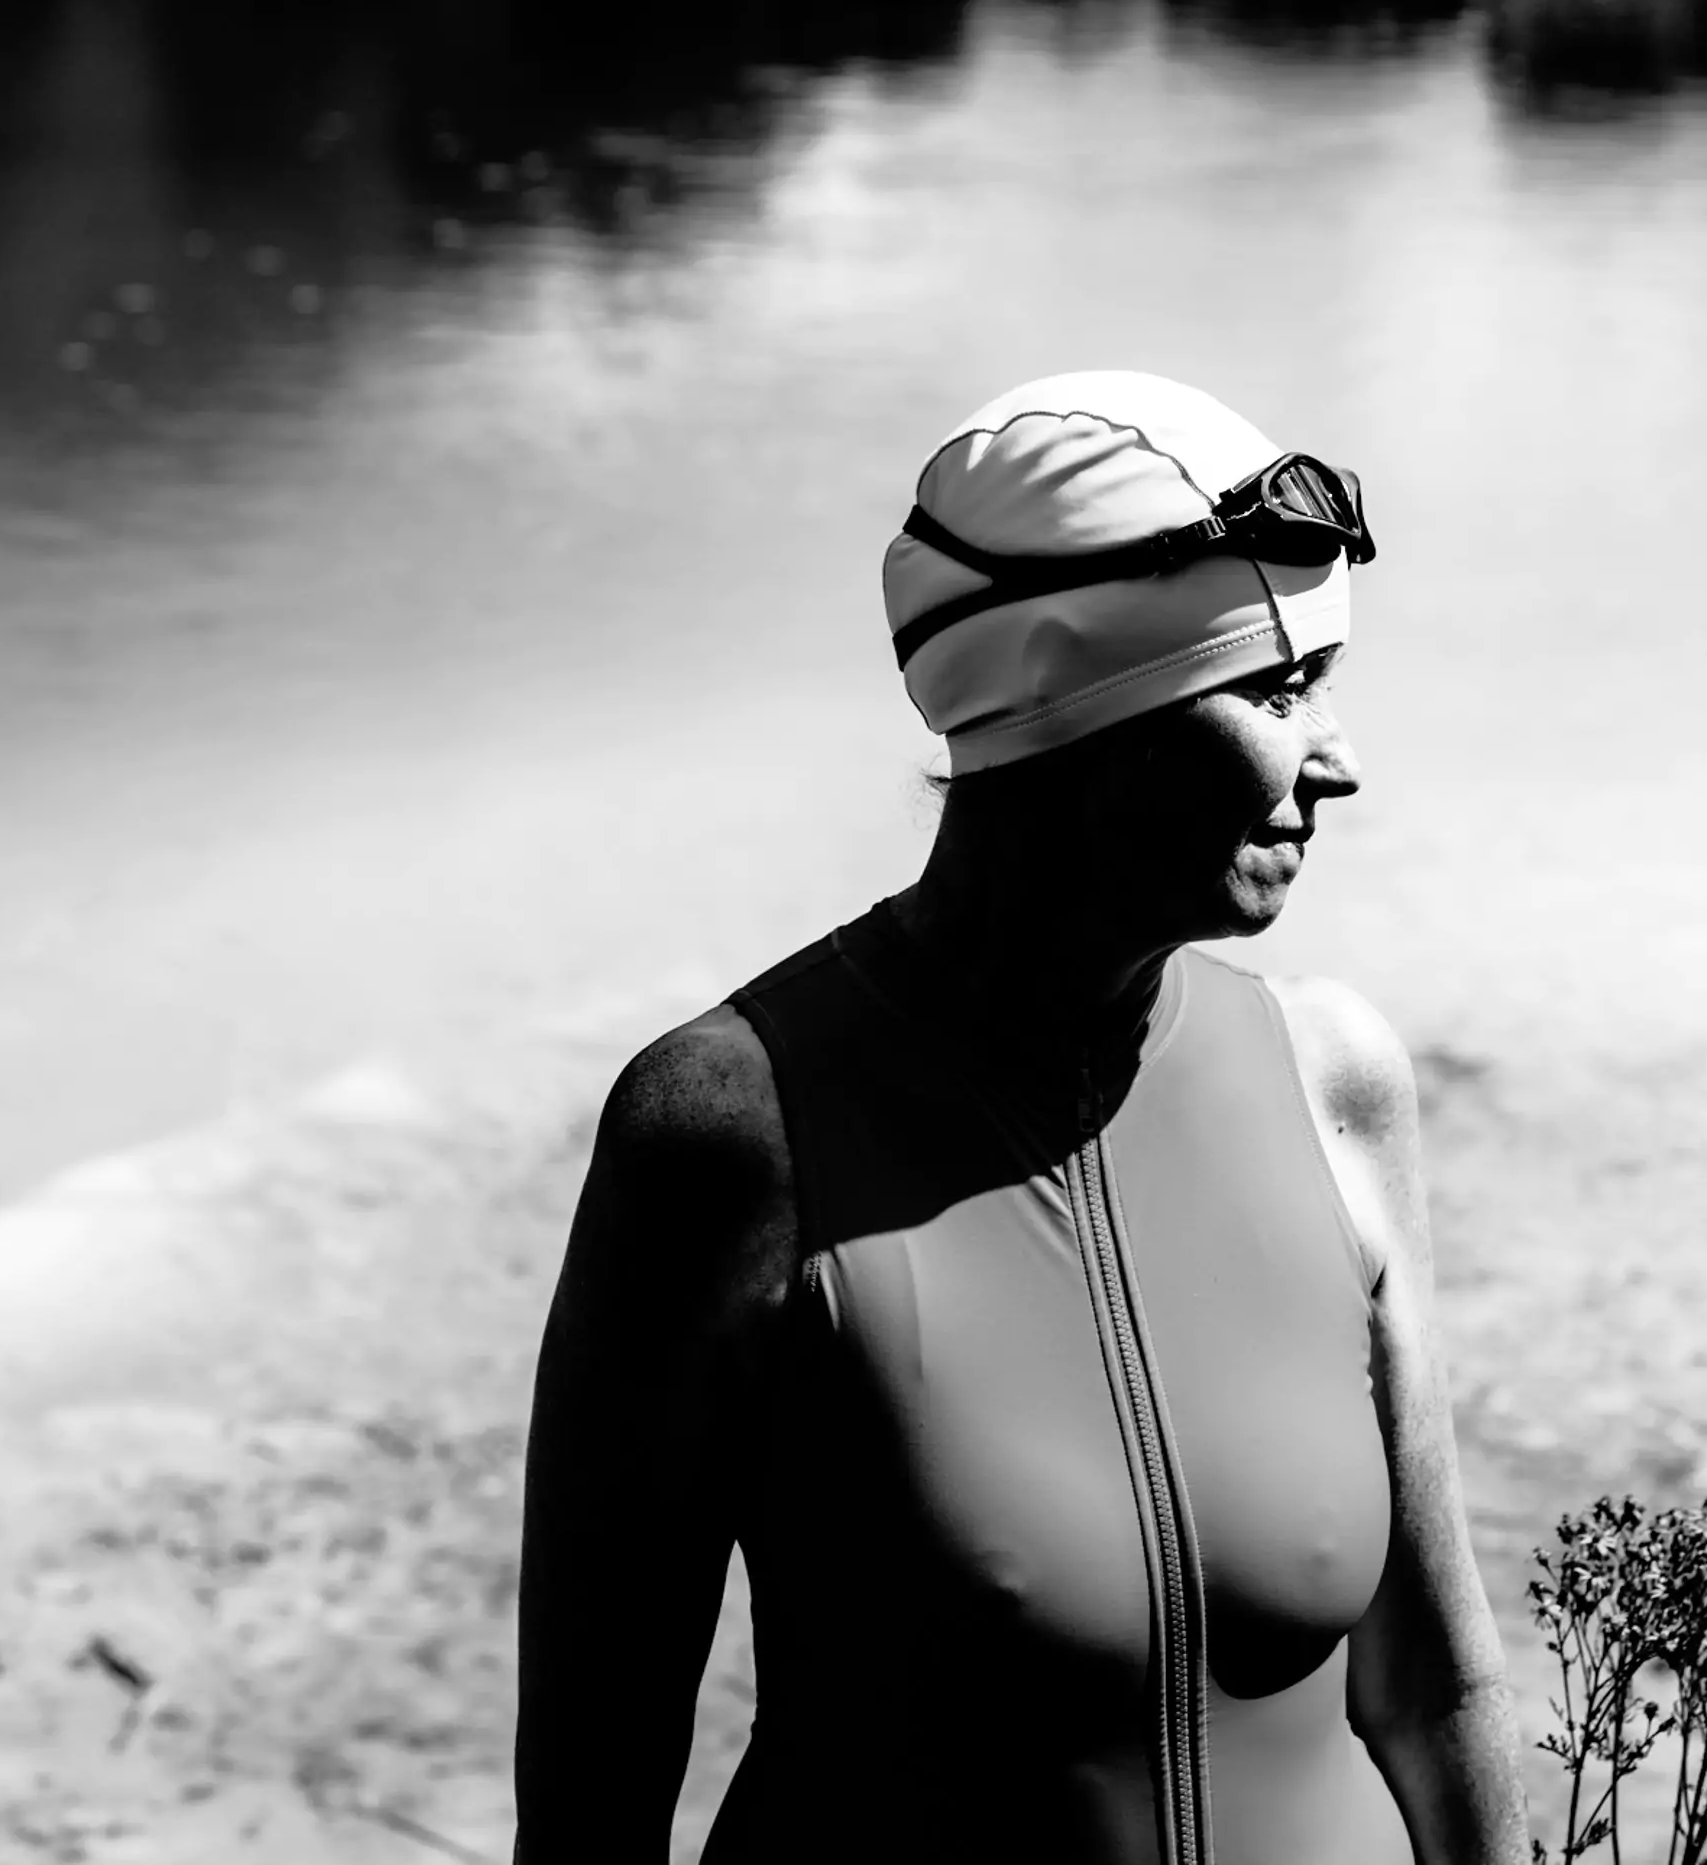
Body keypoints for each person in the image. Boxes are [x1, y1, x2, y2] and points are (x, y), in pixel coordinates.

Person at [513, 373, 1529, 1863]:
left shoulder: (1333, 1080)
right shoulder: (732, 1127)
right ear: (1086, 726)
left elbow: (1435, 1684)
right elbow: (598, 1774)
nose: (1339, 757)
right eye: (1274, 690)